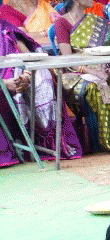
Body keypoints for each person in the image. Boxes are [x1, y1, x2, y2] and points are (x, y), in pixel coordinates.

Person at [52, 0, 110, 154]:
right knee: (99, 88)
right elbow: (68, 59)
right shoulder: (61, 23)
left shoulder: (96, 21)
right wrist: (94, 72)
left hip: (100, 67)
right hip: (77, 73)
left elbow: (106, 50)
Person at [0, 4, 82, 166]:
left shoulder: (5, 29)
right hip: (4, 83)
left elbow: (29, 58)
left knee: (44, 76)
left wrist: (26, 77)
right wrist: (3, 84)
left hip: (16, 82)